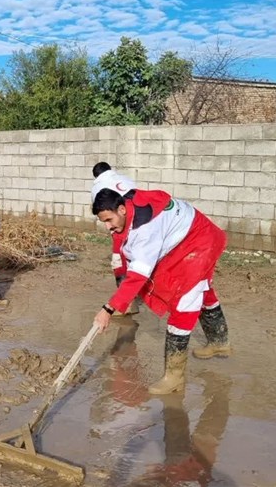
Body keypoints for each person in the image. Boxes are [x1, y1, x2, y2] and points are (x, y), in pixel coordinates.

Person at [91, 187, 232, 395]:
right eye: (103, 221)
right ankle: (220, 341)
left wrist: (108, 309)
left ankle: (174, 378)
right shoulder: (130, 204)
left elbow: (138, 276)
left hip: (199, 241)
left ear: (121, 209)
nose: (107, 227)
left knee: (185, 300)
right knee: (202, 289)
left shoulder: (146, 230)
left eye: (109, 220)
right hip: (189, 234)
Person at [91, 162, 139, 315]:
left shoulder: (98, 187)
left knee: (119, 262)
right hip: (138, 222)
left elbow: (101, 210)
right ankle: (132, 297)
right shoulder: (125, 179)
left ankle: (127, 305)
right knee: (134, 259)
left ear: (96, 176)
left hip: (122, 226)